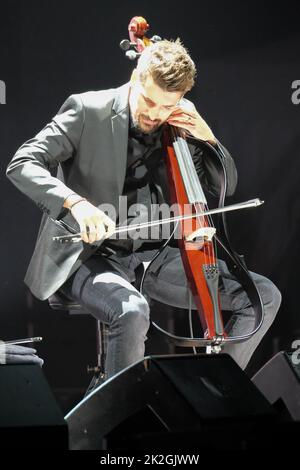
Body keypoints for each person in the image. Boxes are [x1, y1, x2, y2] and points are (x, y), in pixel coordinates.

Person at [6, 39, 281, 379]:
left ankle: (213, 389)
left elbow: (223, 185)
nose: (154, 114)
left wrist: (207, 137)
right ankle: (120, 420)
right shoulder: (87, 109)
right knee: (131, 311)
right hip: (91, 254)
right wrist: (75, 204)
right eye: (148, 101)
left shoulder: (176, 124)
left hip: (156, 256)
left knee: (264, 297)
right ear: (136, 77)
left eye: (166, 107)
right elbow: (23, 163)